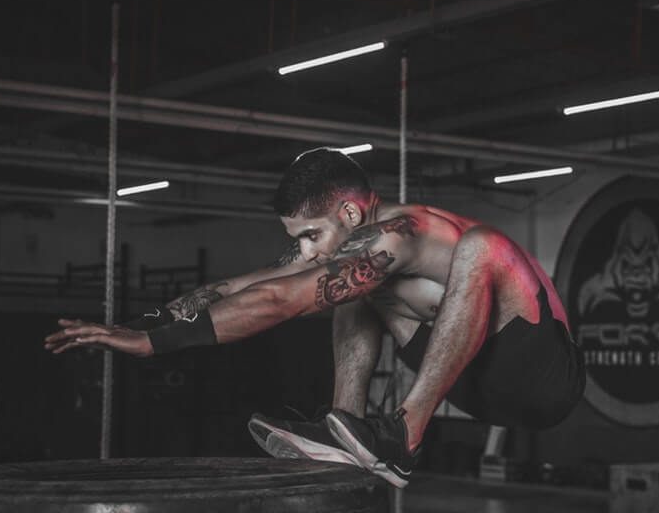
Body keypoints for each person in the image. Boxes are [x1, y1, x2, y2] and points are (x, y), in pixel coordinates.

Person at [45, 149, 584, 487]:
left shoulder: (406, 232)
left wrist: (153, 348)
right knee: (344, 286)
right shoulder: (348, 246)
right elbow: (252, 285)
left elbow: (286, 301)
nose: (303, 251)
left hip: (542, 377)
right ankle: (344, 427)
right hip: (477, 384)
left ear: (351, 214)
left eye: (309, 235)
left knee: (485, 245)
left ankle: (404, 437)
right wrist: (145, 324)